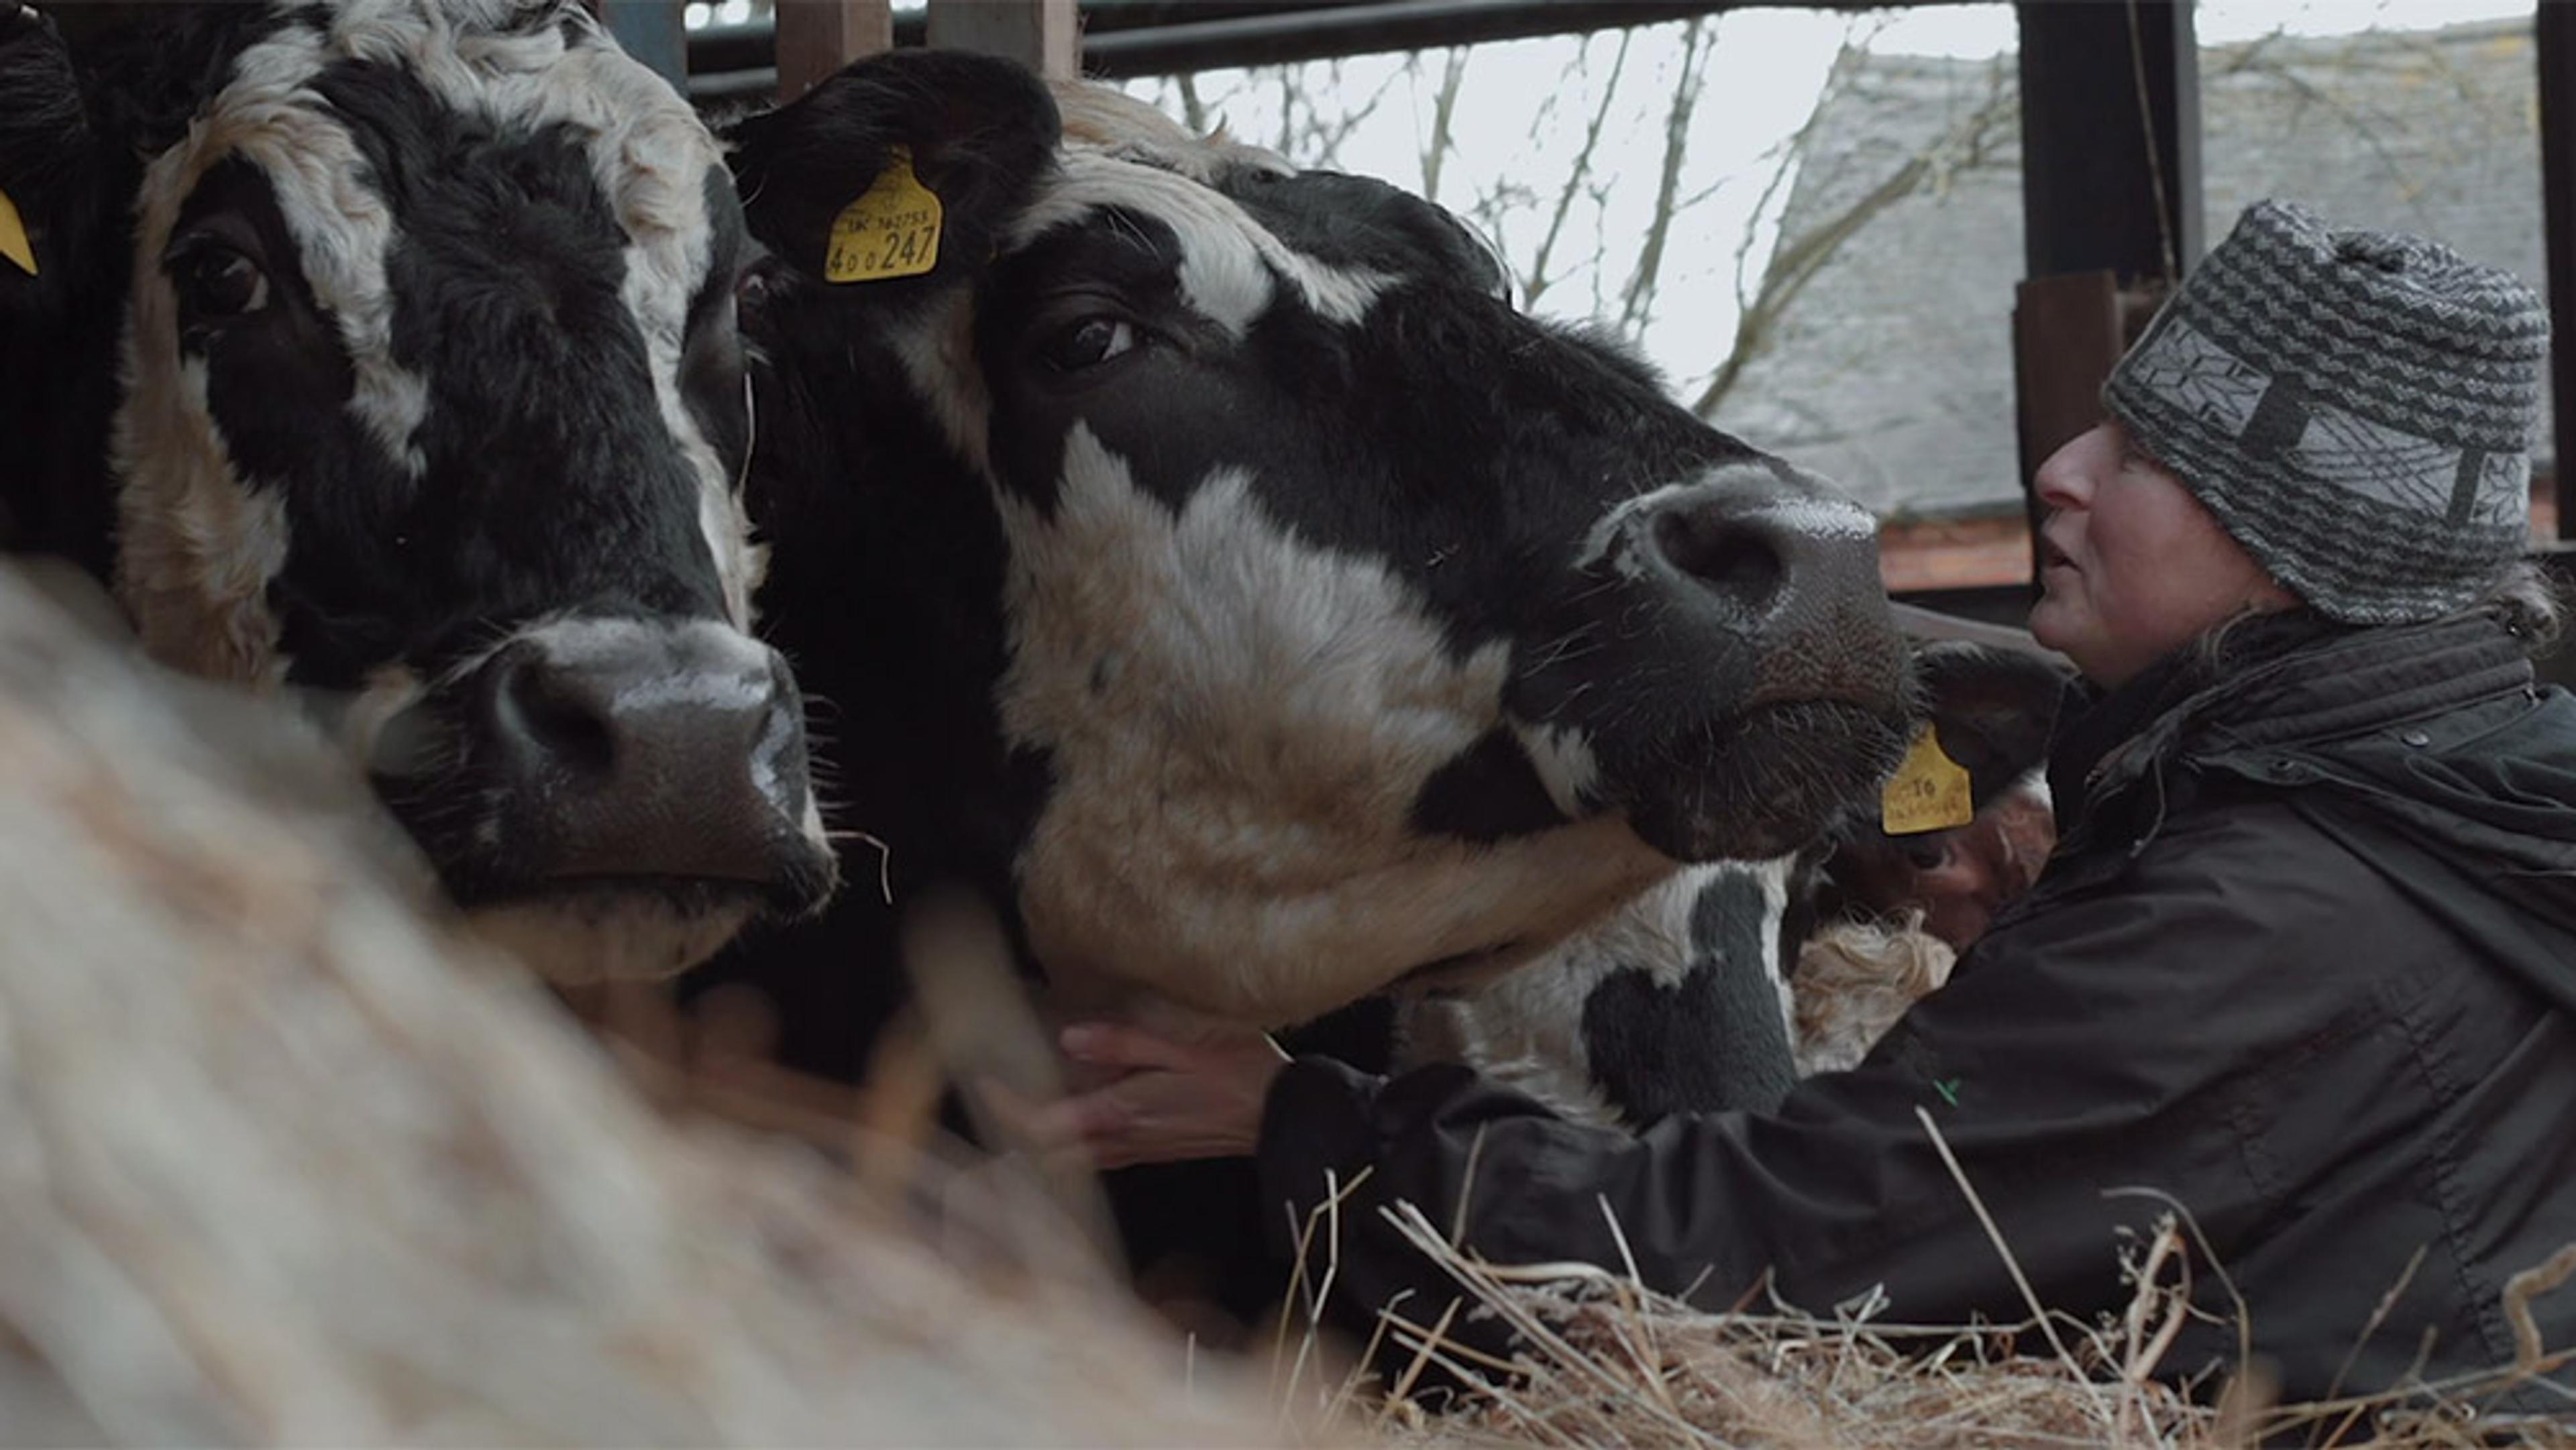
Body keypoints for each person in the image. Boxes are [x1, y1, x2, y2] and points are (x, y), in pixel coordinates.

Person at [1020, 200, 2576, 1412]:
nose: (2065, 469)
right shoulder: (2435, 812)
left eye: (2153, 453)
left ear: (2295, 544)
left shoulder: (2269, 913)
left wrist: (1308, 1127)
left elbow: (1784, 1251)